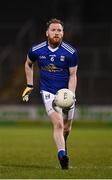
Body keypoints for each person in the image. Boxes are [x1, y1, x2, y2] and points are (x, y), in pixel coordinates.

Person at [22, 18, 78, 169]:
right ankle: (61, 155)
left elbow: (73, 75)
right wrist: (29, 84)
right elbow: (28, 64)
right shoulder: (36, 50)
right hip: (48, 92)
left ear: (63, 33)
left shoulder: (71, 52)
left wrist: (70, 94)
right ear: (47, 33)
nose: (56, 33)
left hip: (65, 93)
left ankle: (64, 146)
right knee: (58, 124)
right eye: (53, 30)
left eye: (59, 30)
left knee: (66, 129)